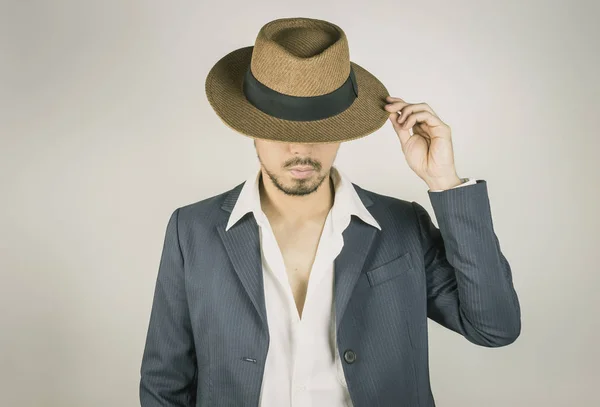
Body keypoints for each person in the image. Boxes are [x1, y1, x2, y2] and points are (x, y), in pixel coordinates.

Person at [139, 17, 521, 407]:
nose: (300, 148)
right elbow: (165, 382)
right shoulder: (192, 230)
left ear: (343, 129)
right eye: (280, 128)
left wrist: (445, 182)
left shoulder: (403, 225)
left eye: (319, 127)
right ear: (250, 127)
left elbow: (494, 327)